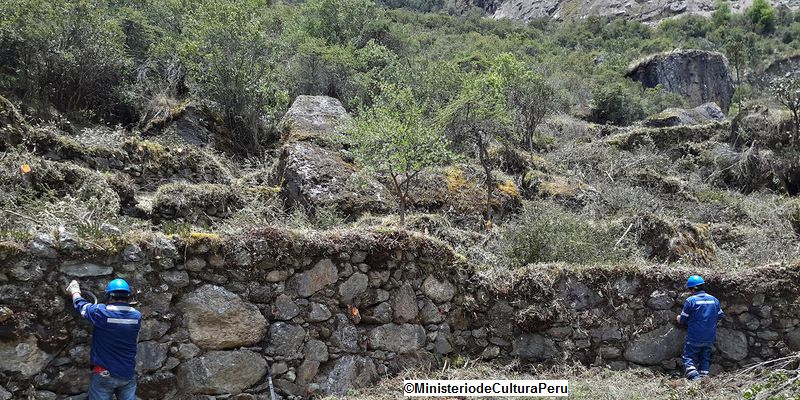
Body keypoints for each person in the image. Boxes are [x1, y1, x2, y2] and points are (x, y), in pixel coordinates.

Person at [66, 278, 141, 400]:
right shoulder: (136, 316)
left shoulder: (101, 312)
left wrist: (74, 291)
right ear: (128, 296)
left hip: (104, 374)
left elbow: (81, 306)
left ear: (109, 296)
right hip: (127, 374)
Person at [675, 275, 724, 381]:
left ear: (693, 289)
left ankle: (695, 379)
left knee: (689, 357)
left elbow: (683, 319)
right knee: (705, 357)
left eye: (689, 289)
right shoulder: (714, 300)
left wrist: (679, 318)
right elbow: (720, 315)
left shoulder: (691, 301)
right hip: (710, 336)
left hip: (695, 336)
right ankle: (704, 380)